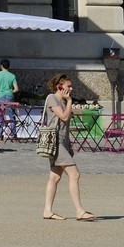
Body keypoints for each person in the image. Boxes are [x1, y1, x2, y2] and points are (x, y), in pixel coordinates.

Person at [41, 72, 97, 221]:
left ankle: (47, 211)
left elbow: (64, 123)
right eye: (69, 86)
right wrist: (70, 101)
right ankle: (79, 211)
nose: (71, 89)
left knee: (54, 177)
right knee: (75, 174)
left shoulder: (63, 101)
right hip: (56, 143)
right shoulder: (52, 98)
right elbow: (64, 117)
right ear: (60, 86)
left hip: (63, 143)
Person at [0, 59, 20, 139]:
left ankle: (0, 134)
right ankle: (13, 133)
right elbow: (16, 89)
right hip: (9, 96)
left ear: (1, 66)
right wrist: (11, 91)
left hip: (0, 96)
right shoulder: (12, 76)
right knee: (11, 115)